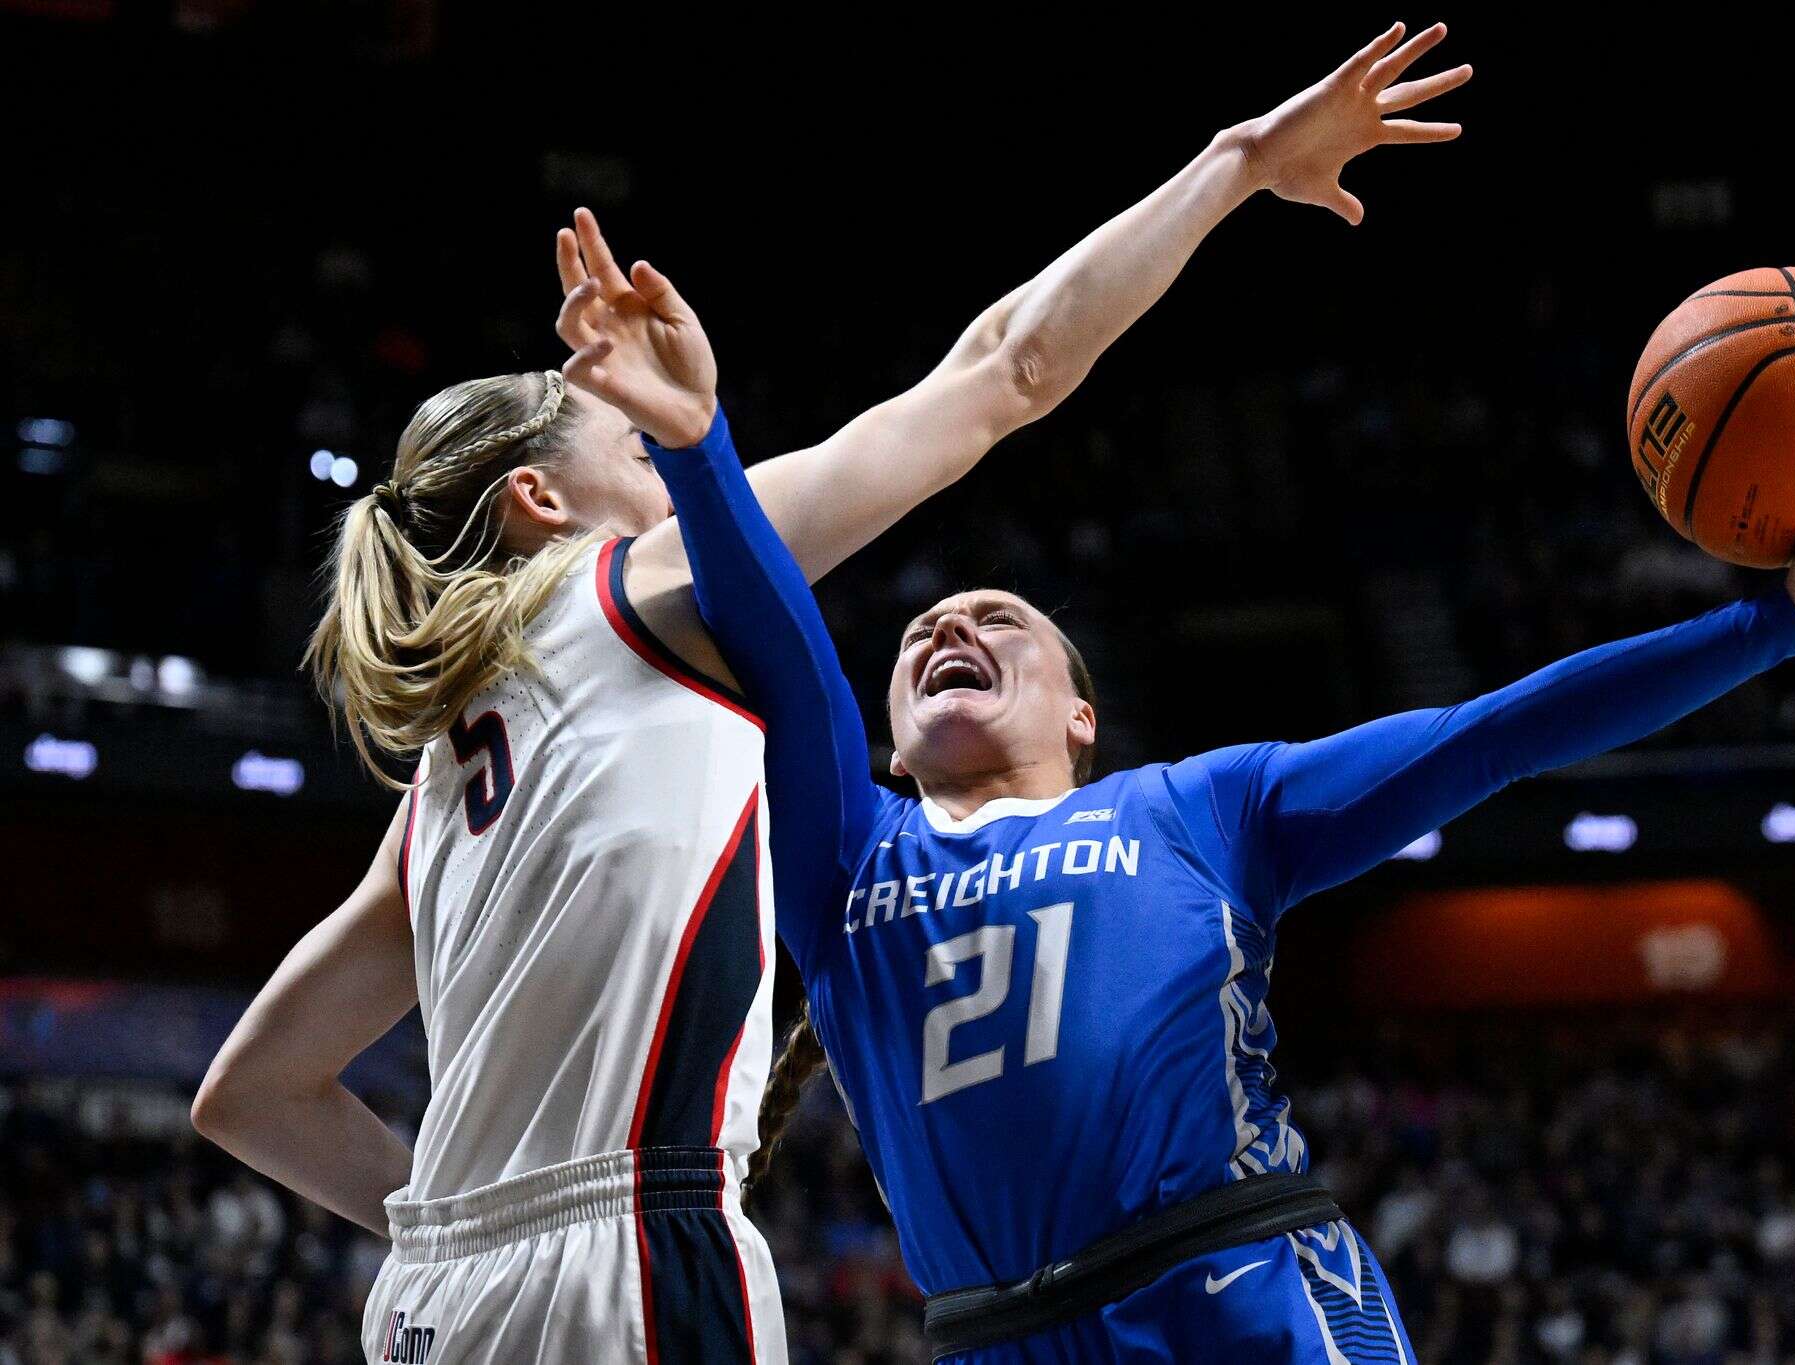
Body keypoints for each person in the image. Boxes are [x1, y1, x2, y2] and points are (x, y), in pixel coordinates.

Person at [625, 51, 1795, 1365]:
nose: (946, 625)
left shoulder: (1205, 809)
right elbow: (782, 640)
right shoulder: (847, 860)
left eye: (997, 619)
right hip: (998, 1343)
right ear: (885, 737)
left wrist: (1777, 620)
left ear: (1085, 717)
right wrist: (700, 452)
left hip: (1243, 1297)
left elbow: (1497, 732)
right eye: (924, 630)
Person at [188, 128, 1303, 1365]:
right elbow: (1006, 372)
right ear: (540, 501)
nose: (672, 484)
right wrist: (1235, 165)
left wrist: (452, 1226)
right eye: (632, 449)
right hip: (623, 1262)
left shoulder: (439, 788)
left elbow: (250, 1094)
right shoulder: (641, 586)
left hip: (427, 1311)